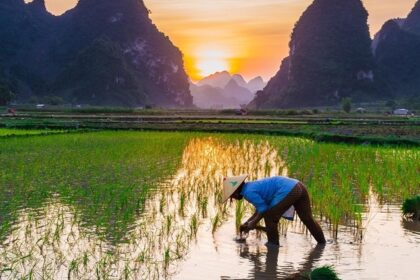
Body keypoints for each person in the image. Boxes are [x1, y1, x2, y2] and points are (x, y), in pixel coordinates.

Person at [222, 175, 326, 246]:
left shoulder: (248, 193)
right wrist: (248, 223)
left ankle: (273, 246)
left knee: (270, 218)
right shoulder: (251, 186)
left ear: (235, 192)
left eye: (232, 196)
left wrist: (253, 223)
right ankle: (322, 244)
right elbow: (259, 210)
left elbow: (263, 209)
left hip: (288, 190)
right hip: (298, 185)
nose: (233, 199)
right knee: (308, 219)